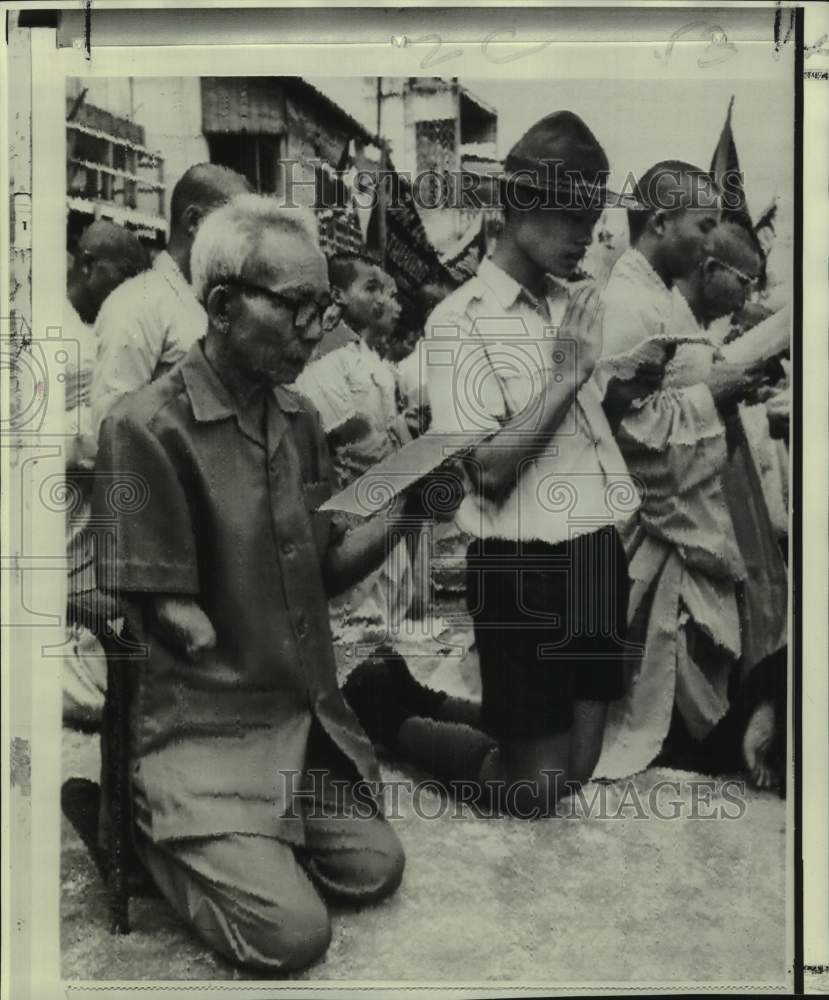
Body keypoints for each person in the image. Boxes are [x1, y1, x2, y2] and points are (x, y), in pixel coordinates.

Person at [90, 196, 413, 973]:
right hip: (201, 732)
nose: (316, 327)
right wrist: (184, 605)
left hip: (294, 723)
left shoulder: (297, 419)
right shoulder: (144, 426)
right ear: (225, 306)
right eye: (298, 306)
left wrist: (405, 507)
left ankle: (248, 838)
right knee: (294, 936)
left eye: (323, 306)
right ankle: (147, 820)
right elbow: (182, 625)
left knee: (374, 870)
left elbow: (326, 571)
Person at [343, 112, 662, 817]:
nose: (586, 232)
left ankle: (413, 692)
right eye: (572, 212)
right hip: (524, 561)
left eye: (593, 212)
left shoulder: (567, 302)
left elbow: (576, 429)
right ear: (518, 205)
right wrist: (567, 376)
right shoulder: (461, 318)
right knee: (533, 786)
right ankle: (384, 711)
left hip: (591, 550)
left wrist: (619, 380)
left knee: (575, 768)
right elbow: (485, 469)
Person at [594, 175, 771, 782]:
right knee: (657, 671)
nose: (708, 242)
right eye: (701, 226)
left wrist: (715, 386)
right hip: (656, 513)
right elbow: (627, 433)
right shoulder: (630, 305)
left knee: (678, 663)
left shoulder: (660, 297)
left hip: (687, 501)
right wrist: (711, 395)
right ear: (660, 224)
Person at [294, 253, 417, 638]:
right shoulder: (328, 354)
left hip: (383, 506)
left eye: (384, 290)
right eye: (371, 288)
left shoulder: (367, 356)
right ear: (338, 295)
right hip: (351, 516)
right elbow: (349, 437)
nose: (382, 300)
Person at [63, 221, 149, 727]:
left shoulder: (98, 334)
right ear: (89, 265)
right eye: (126, 274)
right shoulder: (60, 334)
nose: (132, 291)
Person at [90, 163, 251, 430]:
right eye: (237, 228)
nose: (246, 245)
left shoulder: (212, 303)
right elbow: (111, 425)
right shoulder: (139, 303)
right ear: (194, 222)